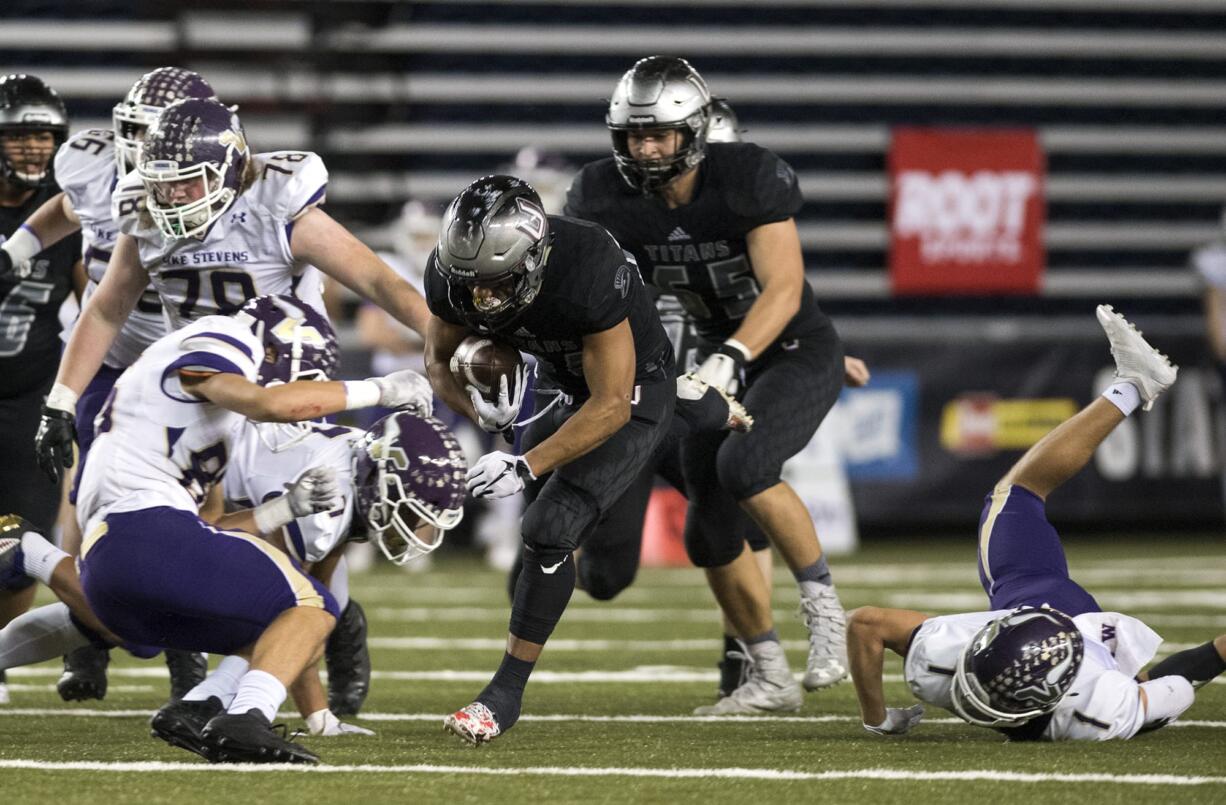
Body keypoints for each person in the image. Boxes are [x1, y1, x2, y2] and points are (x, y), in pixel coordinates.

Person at [13, 294, 431, 763]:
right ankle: (245, 718)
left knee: (179, 635)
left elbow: (209, 525)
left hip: (125, 547)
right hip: (137, 522)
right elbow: (269, 402)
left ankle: (195, 709)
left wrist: (284, 509)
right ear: (272, 350)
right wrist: (379, 390)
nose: (308, 397)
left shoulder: (216, 422)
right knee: (309, 603)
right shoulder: (224, 337)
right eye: (305, 377)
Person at [565, 56, 856, 710]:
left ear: (693, 131)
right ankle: (769, 676)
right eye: (634, 134)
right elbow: (608, 296)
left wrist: (731, 354)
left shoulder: (745, 178)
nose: (645, 146)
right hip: (706, 358)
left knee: (747, 464)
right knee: (706, 531)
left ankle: (826, 615)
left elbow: (783, 289)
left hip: (790, 349)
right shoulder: (605, 196)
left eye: (659, 133)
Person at [848, 305, 1226, 741]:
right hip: (1054, 617)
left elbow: (864, 624)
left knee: (1018, 495)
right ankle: (1132, 387)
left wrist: (878, 720)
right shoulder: (1103, 710)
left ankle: (1133, 386)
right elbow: (1169, 692)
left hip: (1061, 628)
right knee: (1146, 698)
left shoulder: (945, 660)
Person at [33, 96, 433, 490]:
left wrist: (437, 339)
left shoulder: (277, 211)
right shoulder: (144, 215)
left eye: (188, 182)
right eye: (163, 183)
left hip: (286, 376)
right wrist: (61, 400)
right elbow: (107, 309)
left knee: (309, 518)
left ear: (229, 168)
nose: (173, 197)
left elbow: (378, 281)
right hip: (204, 386)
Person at [423, 175, 676, 744]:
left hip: (635, 389)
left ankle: (504, 695)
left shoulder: (587, 264)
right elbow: (439, 364)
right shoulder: (452, 275)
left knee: (568, 543)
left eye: (495, 283)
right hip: (554, 385)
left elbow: (610, 403)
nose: (480, 300)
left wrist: (522, 464)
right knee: (538, 552)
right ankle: (531, 616)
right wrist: (483, 416)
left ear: (534, 257)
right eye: (470, 284)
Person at [5, 66, 219, 704]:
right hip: (108, 355)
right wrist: (15, 250)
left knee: (197, 502)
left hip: (184, 360)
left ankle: (189, 656)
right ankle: (89, 647)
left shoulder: (210, 186)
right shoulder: (95, 167)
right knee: (85, 497)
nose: (134, 146)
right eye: (130, 131)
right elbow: (67, 211)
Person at [0, 73, 77, 706]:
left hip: (29, 396)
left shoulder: (67, 209)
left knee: (20, 534)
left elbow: (101, 302)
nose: (34, 148)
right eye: (21, 134)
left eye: (46, 135)